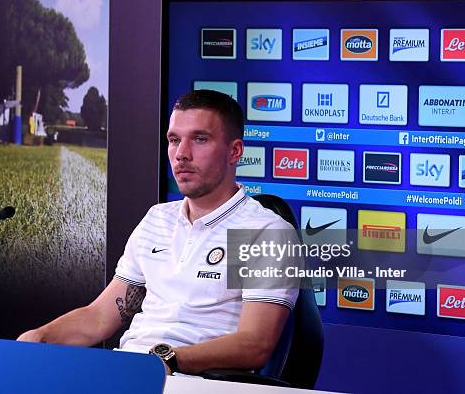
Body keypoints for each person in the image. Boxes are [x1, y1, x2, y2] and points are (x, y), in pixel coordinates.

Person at [18, 89, 299, 375]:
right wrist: (39, 337)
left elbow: (254, 346)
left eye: (200, 139)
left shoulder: (268, 231)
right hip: (129, 373)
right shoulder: (156, 218)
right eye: (174, 140)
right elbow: (101, 316)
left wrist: (165, 360)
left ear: (234, 151)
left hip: (197, 381)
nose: (181, 154)